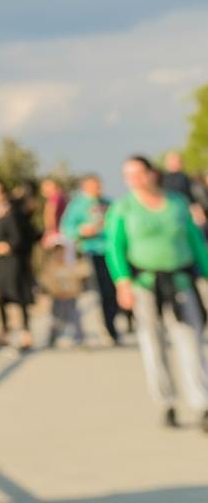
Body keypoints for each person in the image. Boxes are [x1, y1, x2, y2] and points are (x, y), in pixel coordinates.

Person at [109, 155, 208, 430]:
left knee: (190, 339)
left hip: (179, 279)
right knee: (153, 343)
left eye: (139, 174)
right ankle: (167, 402)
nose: (134, 181)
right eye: (128, 176)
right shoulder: (123, 207)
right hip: (145, 283)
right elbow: (115, 247)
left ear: (152, 173)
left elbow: (195, 241)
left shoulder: (176, 203)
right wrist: (122, 282)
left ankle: (201, 401)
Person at [61, 175, 125, 344]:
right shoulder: (77, 205)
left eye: (99, 185)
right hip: (91, 252)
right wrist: (82, 231)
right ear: (85, 187)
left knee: (112, 290)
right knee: (100, 291)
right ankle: (104, 327)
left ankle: (113, 324)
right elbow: (66, 228)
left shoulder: (108, 203)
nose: (97, 189)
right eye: (93, 185)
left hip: (110, 251)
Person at [0, 182, 35, 353]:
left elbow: (17, 241)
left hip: (14, 263)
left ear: (2, 195)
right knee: (0, 297)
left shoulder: (12, 214)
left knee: (19, 297)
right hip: (0, 264)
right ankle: (5, 334)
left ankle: (26, 335)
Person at [159, 150, 208, 231]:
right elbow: (194, 196)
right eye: (179, 160)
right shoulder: (182, 178)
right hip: (191, 214)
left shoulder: (161, 181)